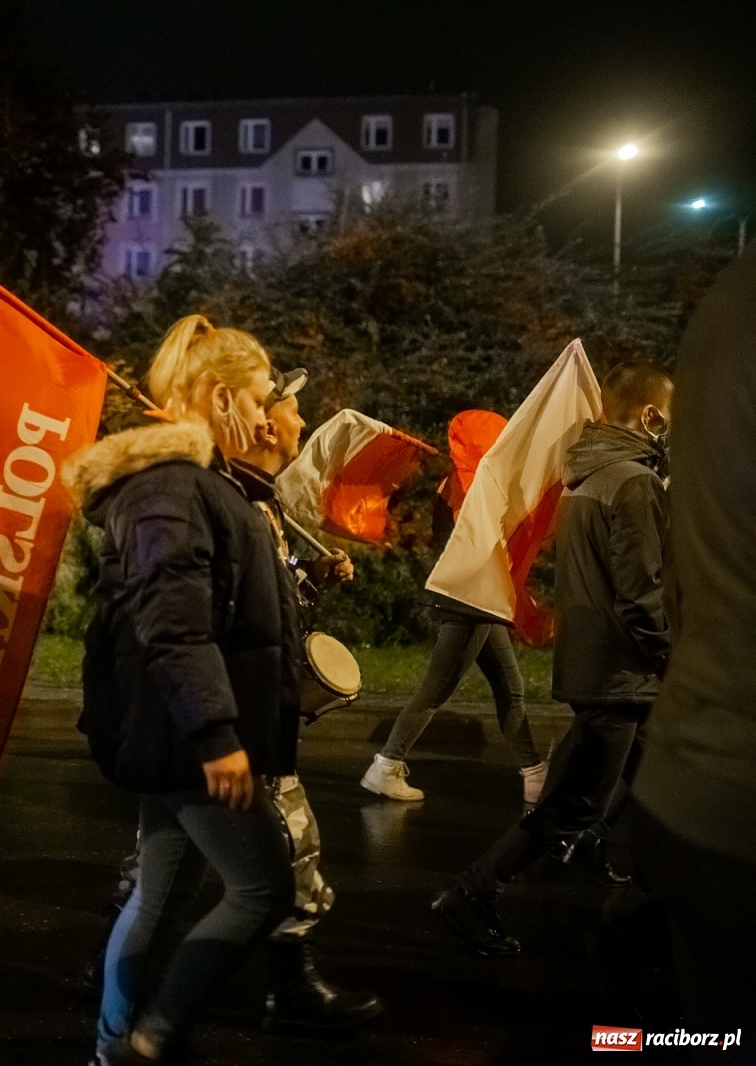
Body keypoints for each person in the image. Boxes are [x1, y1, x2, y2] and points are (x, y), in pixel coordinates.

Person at [68, 316, 298, 1064]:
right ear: (218, 394)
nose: (268, 414)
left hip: (178, 730)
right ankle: (150, 1040)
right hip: (186, 734)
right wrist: (217, 734)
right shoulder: (170, 487)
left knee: (160, 898)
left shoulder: (199, 483)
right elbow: (173, 623)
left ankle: (114, 1048)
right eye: (261, 396)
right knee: (264, 890)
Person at [434, 361, 671, 956]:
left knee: (645, 777)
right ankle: (472, 892)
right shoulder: (634, 483)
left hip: (603, 666)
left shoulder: (588, 475)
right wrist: (675, 659)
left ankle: (608, 861)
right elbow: (642, 594)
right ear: (650, 416)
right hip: (622, 674)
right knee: (571, 802)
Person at [231, 369, 382, 1034]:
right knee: (295, 844)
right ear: (263, 422)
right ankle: (287, 990)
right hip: (247, 714)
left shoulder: (262, 503)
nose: (301, 423)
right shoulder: (237, 503)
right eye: (293, 411)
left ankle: (121, 976)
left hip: (248, 707)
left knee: (166, 858)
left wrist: (311, 580)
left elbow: (268, 597)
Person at [632, 253, 756, 1043]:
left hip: (696, 767)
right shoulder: (630, 483)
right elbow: (641, 581)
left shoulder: (730, 300)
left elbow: (673, 576)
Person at [361, 411, 547, 804]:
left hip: (475, 596)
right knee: (437, 689)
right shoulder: (475, 489)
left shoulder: (456, 484)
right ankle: (385, 765)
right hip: (469, 598)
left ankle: (534, 773)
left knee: (510, 689)